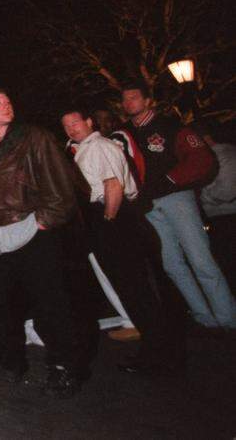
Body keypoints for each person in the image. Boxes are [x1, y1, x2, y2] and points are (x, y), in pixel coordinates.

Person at [0, 85, 84, 398]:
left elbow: (63, 183)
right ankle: (8, 360)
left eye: (7, 100)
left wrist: (44, 220)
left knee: (50, 302)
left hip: (31, 228)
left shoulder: (34, 137)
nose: (6, 105)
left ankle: (64, 368)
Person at [61, 105, 174, 373]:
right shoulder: (83, 150)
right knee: (130, 289)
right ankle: (154, 349)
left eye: (75, 122)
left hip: (115, 219)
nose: (71, 129)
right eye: (66, 126)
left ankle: (158, 353)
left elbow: (113, 186)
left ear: (89, 121)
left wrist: (109, 221)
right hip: (107, 220)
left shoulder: (99, 146)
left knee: (136, 288)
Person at [120, 81, 234, 330]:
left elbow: (201, 159)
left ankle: (227, 316)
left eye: (134, 97)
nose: (129, 103)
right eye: (125, 99)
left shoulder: (170, 126)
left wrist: (171, 179)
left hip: (177, 198)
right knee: (171, 263)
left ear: (148, 100)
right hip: (148, 205)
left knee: (200, 258)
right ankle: (204, 316)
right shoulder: (125, 134)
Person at [199, 125, 236, 286]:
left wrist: (202, 195)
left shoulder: (225, 155)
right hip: (216, 218)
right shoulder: (206, 158)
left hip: (228, 216)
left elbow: (226, 192)